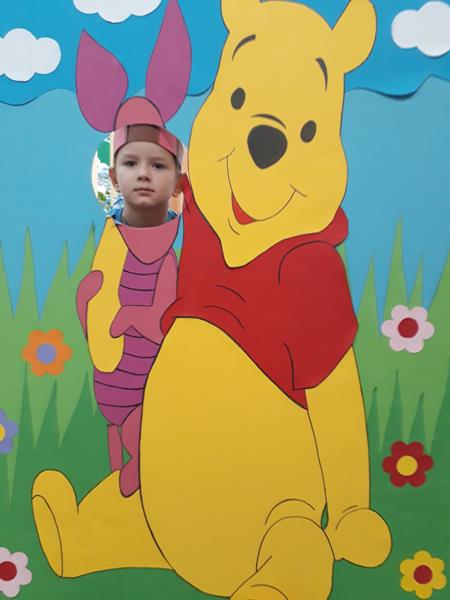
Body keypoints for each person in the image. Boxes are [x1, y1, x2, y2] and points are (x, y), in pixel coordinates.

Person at [77, 108, 184, 496]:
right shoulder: (110, 242)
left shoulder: (166, 258)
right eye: (130, 163)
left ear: (177, 183)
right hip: (111, 381)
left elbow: (163, 323)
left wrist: (128, 317)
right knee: (115, 438)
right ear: (113, 177)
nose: (143, 174)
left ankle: (142, 472)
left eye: (158, 165)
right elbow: (95, 309)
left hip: (147, 383)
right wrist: (86, 304)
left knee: (142, 433)